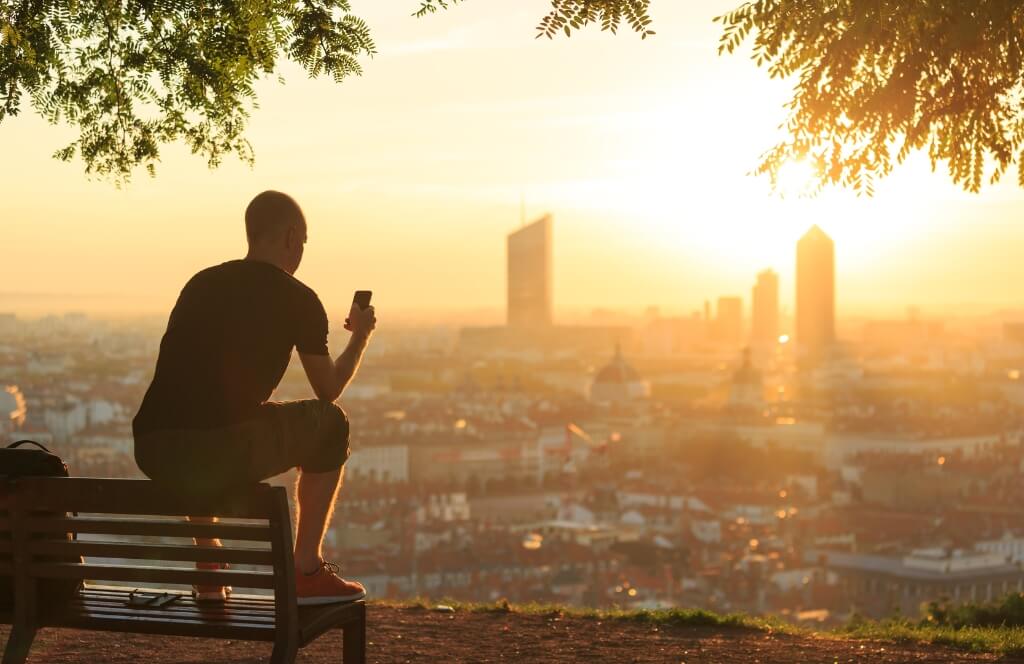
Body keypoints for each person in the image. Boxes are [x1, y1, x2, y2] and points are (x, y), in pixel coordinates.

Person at [132, 190, 375, 605]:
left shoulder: (201, 283)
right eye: (303, 242)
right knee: (332, 423)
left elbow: (189, 388)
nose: (301, 251)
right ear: (291, 236)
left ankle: (209, 568)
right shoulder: (298, 298)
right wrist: (361, 338)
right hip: (218, 448)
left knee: (206, 423)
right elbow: (328, 389)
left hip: (154, 446)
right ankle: (307, 570)